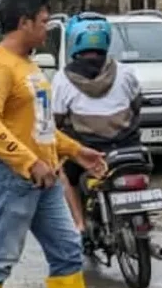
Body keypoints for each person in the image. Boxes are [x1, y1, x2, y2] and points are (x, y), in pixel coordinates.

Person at [0, 0, 128, 288]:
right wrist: (28, 162)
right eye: (42, 21)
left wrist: (75, 150)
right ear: (23, 22)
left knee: (67, 251)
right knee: (0, 257)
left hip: (44, 178)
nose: (47, 27)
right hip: (10, 177)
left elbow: (40, 127)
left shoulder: (29, 66)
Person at [50, 13, 143, 232]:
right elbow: (137, 104)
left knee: (66, 177)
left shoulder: (63, 79)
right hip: (127, 147)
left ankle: (80, 225)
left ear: (75, 40)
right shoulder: (126, 72)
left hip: (86, 151)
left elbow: (56, 119)